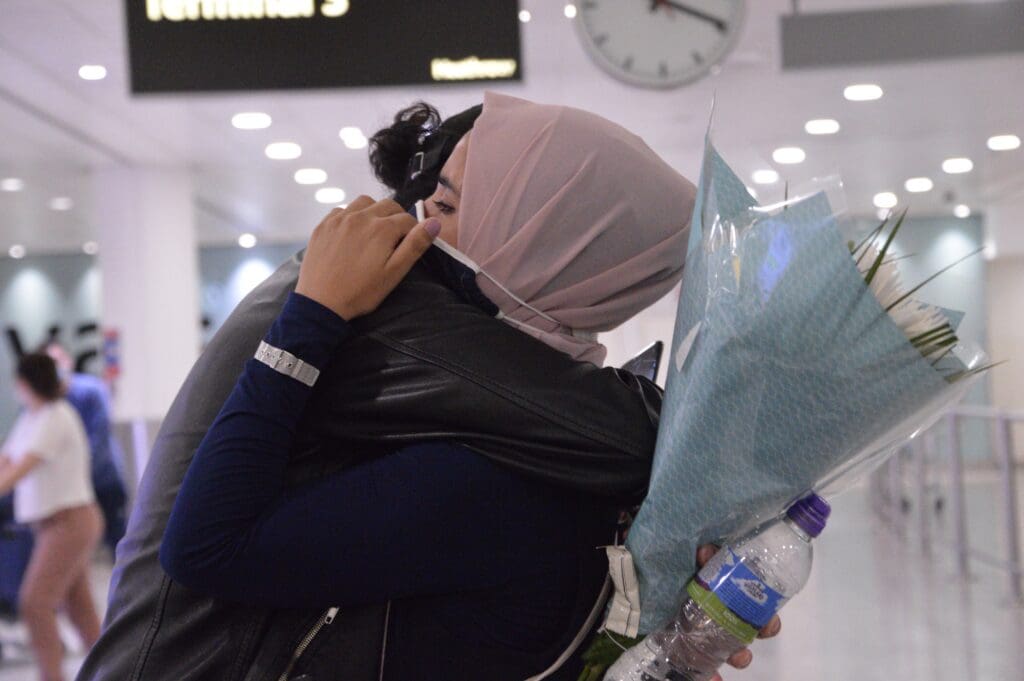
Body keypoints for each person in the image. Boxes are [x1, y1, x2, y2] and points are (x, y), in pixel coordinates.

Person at [158, 93, 777, 680]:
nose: (416, 226)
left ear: (545, 245)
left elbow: (208, 547)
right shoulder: (579, 437)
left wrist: (313, 314)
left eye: (447, 209)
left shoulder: (497, 473)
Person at [0, 353, 104, 681]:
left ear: (25, 382)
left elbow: (19, 470)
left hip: (69, 523)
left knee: (35, 602)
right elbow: (5, 460)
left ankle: (51, 677)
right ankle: (114, 671)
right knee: (81, 611)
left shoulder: (57, 417)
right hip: (51, 526)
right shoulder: (32, 417)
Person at [45, 342, 128, 554]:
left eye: (58, 361)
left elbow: (99, 437)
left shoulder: (90, 390)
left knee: (118, 540)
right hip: (72, 489)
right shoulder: (49, 401)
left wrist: (76, 473)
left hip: (102, 479)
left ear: (68, 361)